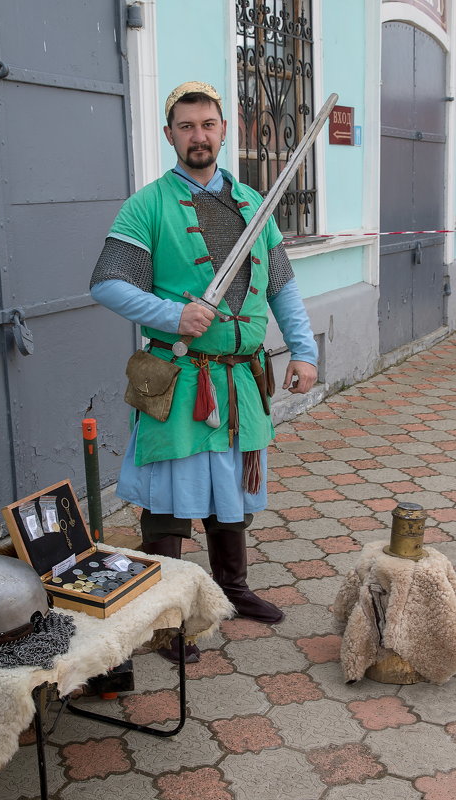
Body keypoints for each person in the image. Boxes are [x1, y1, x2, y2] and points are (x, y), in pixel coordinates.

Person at [90, 81, 318, 662]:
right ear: (170, 135)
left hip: (241, 378)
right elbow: (108, 284)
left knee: (230, 497)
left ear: (224, 130)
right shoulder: (148, 204)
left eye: (208, 124)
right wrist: (172, 313)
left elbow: (282, 286)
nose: (199, 135)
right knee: (167, 500)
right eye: (187, 126)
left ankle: (232, 589)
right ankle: (166, 617)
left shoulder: (254, 205)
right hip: (182, 377)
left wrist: (305, 350)